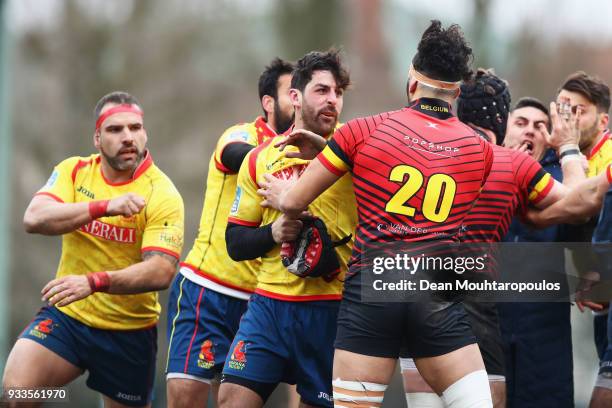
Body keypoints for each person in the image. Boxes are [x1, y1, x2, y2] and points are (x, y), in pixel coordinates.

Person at [262, 21, 497, 407]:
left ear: (412, 81)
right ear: (456, 92)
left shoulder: (361, 131)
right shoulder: (480, 150)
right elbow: (427, 171)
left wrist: (288, 189)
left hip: (372, 294)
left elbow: (293, 203)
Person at [2, 91, 185, 407]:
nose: (128, 137)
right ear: (98, 139)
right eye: (115, 130)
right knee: (17, 393)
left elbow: (162, 271)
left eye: (135, 127)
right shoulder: (74, 171)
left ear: (145, 133)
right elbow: (34, 218)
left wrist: (93, 282)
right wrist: (103, 207)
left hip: (129, 333)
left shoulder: (162, 193)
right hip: (68, 319)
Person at [218, 49, 354, 408]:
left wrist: (320, 159)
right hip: (269, 307)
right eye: (322, 90)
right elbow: (235, 242)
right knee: (231, 399)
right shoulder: (260, 157)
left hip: (330, 307)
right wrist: (274, 233)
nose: (333, 101)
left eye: (338, 93)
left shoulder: (355, 148)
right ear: (294, 96)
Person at [164, 58, 294, 408]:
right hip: (209, 292)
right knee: (185, 398)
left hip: (264, 302)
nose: (298, 101)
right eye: (289, 93)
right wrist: (292, 166)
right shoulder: (243, 134)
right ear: (268, 103)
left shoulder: (312, 148)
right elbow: (233, 154)